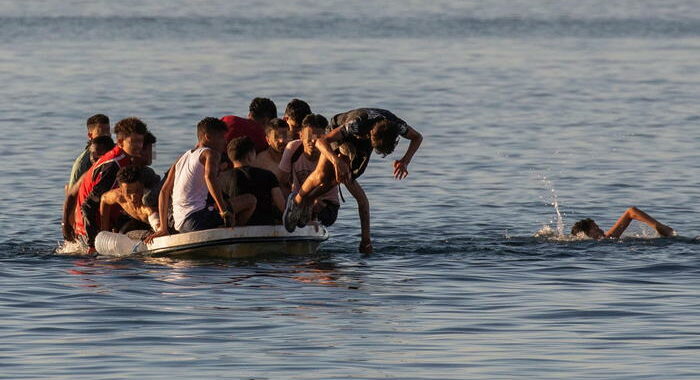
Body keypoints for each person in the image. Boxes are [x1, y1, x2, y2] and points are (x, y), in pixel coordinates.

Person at [283, 108, 423, 253]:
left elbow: (417, 137)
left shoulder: (397, 125)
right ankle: (297, 201)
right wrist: (335, 160)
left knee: (344, 176)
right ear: (370, 135)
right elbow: (321, 142)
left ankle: (309, 200)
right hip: (339, 132)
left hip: (362, 142)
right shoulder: (357, 123)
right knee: (322, 175)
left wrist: (405, 161)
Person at [148, 118, 253, 240]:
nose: (225, 142)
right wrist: (223, 211)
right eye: (221, 137)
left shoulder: (181, 158)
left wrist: (163, 228)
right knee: (250, 200)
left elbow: (164, 191)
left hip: (180, 224)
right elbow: (209, 178)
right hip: (197, 219)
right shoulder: (210, 154)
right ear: (208, 137)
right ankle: (232, 235)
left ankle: (222, 228)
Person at [62, 117, 148, 252]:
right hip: (88, 233)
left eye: (141, 141)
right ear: (120, 142)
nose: (139, 146)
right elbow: (88, 206)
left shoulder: (126, 159)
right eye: (134, 142)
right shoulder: (113, 165)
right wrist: (92, 245)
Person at [279, 114, 340, 227]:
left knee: (318, 207)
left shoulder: (331, 155)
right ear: (301, 135)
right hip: (297, 199)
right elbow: (281, 181)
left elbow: (329, 183)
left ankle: (309, 219)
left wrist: (310, 202)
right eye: (309, 135)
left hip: (325, 204)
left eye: (318, 137)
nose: (313, 141)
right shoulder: (293, 148)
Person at [227, 136, 286, 225]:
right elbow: (282, 206)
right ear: (249, 156)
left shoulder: (221, 178)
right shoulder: (268, 175)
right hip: (264, 227)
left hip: (234, 229)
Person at [99, 166, 159, 234]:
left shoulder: (148, 206)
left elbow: (156, 219)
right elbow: (104, 199)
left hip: (159, 220)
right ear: (121, 190)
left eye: (137, 191)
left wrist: (158, 228)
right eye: (128, 192)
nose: (133, 197)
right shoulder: (118, 196)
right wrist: (104, 231)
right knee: (122, 232)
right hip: (136, 221)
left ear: (142, 186)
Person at [571, 207, 674, 239]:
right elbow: (631, 211)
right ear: (587, 234)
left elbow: (631, 212)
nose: (601, 229)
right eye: (595, 228)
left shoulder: (606, 239)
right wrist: (659, 227)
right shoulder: (607, 238)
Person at [67, 114, 110, 188]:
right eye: (101, 132)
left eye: (108, 131)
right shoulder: (82, 163)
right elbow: (72, 192)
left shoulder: (116, 153)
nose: (107, 135)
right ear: (90, 135)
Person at [253, 118, 290, 194]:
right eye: (276, 137)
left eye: (285, 135)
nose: (282, 140)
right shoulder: (260, 162)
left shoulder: (295, 156)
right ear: (268, 140)